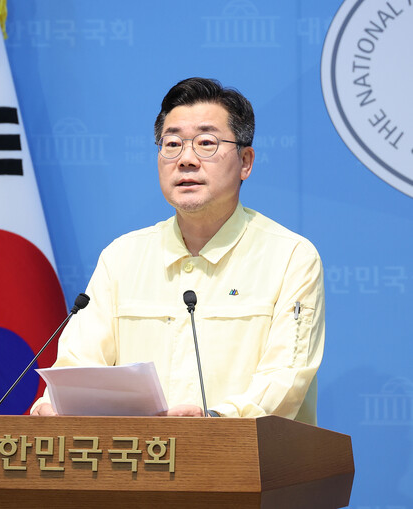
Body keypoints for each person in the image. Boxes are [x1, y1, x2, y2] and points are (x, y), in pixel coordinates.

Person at [31, 77, 325, 423]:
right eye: (172, 144)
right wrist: (55, 403)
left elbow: (285, 379)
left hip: (244, 454)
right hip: (138, 456)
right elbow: (78, 366)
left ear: (245, 161)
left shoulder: (290, 257)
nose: (186, 159)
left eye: (206, 143)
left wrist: (212, 421)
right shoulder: (122, 258)